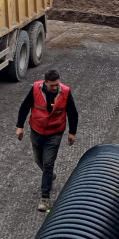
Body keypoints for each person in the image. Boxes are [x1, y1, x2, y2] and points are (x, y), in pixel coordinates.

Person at [15, 68, 78, 212]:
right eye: (52, 85)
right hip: (36, 130)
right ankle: (49, 175)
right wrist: (20, 126)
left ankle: (45, 197)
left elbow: (73, 113)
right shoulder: (36, 89)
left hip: (55, 133)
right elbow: (25, 107)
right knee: (38, 159)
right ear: (45, 83)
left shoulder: (66, 92)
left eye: (57, 84)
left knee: (48, 163)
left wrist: (72, 132)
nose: (55, 88)